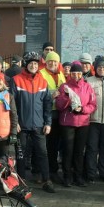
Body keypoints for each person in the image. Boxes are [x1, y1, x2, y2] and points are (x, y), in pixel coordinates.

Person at [12, 52, 56, 193]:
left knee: (43, 153)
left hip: (39, 124)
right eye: (31, 63)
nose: (33, 66)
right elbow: (11, 104)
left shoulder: (42, 81)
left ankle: (46, 180)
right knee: (21, 154)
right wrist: (15, 122)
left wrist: (48, 123)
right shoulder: (16, 80)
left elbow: (47, 104)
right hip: (22, 126)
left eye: (36, 64)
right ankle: (21, 181)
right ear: (26, 64)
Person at [56, 62, 96, 187]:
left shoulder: (87, 87)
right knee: (68, 151)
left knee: (79, 151)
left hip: (83, 123)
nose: (76, 75)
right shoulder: (64, 87)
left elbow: (93, 104)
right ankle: (67, 177)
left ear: (82, 74)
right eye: (73, 73)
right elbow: (59, 106)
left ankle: (78, 176)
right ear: (70, 74)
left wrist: (82, 109)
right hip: (68, 122)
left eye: (78, 73)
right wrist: (67, 97)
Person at [39, 50, 66, 182]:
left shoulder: (61, 74)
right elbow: (39, 94)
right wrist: (51, 95)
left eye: (55, 61)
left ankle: (54, 170)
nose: (53, 63)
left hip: (58, 113)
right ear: (46, 62)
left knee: (55, 144)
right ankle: (44, 171)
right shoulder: (41, 74)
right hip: (46, 113)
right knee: (45, 145)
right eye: (50, 61)